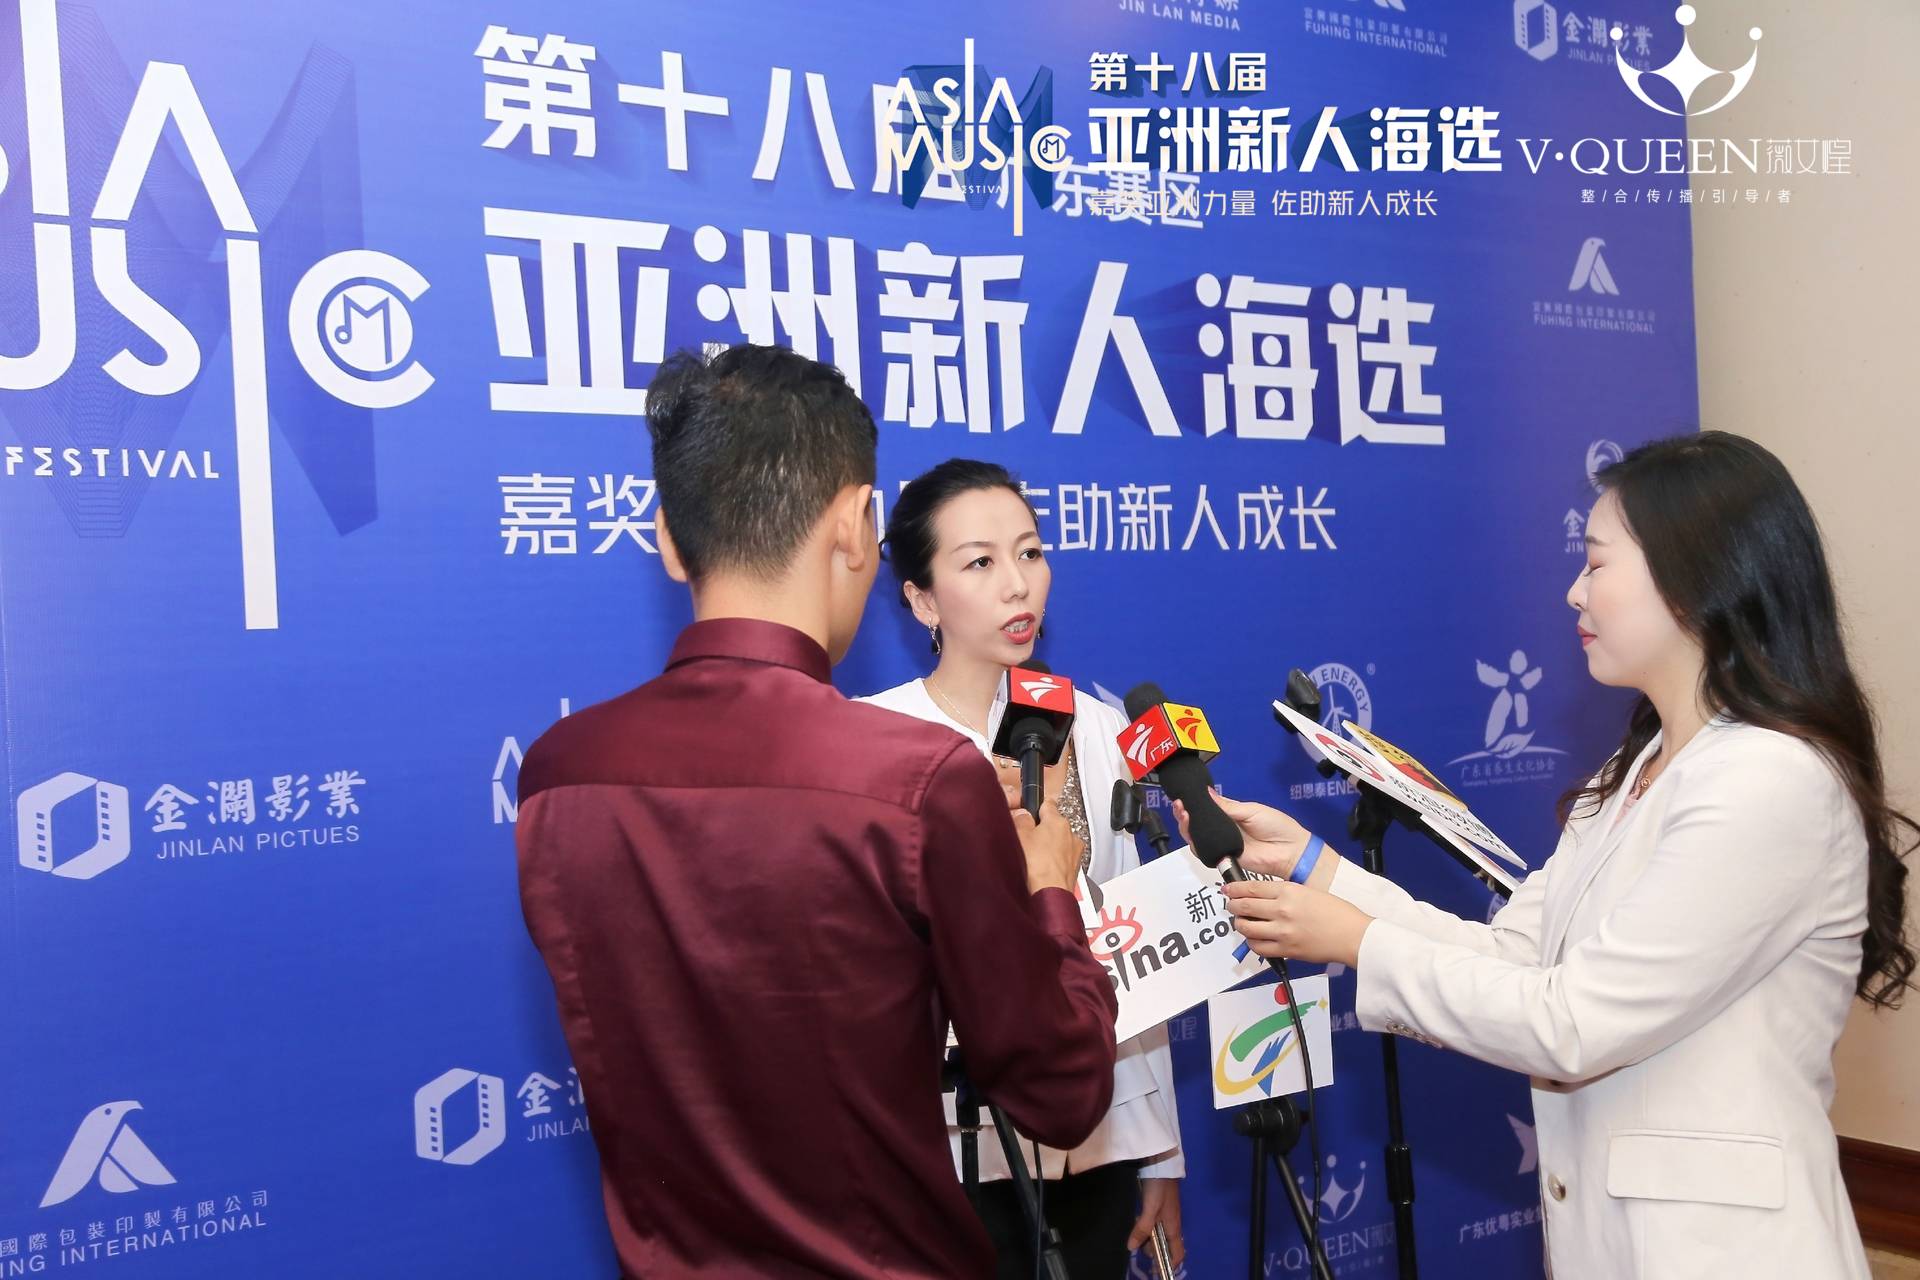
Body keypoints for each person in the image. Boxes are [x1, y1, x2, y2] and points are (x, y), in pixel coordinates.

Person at [1183, 431, 1914, 1279]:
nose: (1574, 591)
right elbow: (1515, 956)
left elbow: (1573, 1023)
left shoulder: (1767, 780)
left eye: (1596, 564)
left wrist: (1353, 940)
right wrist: (1315, 866)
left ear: (1694, 579)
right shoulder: (1635, 769)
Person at [514, 346, 1119, 1279]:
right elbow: (1061, 1089)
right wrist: (1048, 890)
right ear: (855, 525)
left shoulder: (560, 774)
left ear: (669, 538)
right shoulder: (918, 781)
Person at [860, 459, 1185, 1279]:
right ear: (922, 601)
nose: (1018, 584)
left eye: (1030, 552)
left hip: (1095, 1138)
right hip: (940, 1154)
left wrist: (1159, 1152)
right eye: (980, 562)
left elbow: (1128, 946)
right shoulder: (871, 742)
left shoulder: (1093, 727)